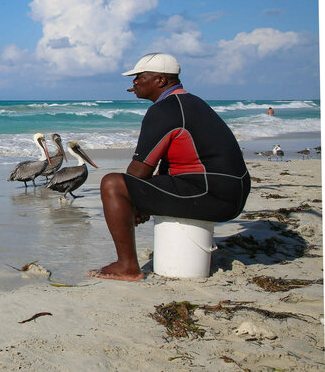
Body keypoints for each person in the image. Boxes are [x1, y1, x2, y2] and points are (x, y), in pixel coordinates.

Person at [90, 53, 251, 281]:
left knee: (113, 185)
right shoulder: (192, 102)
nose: (134, 82)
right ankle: (204, 255)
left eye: (139, 77)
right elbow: (168, 166)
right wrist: (144, 202)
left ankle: (127, 266)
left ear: (161, 81)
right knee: (132, 187)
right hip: (231, 192)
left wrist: (133, 204)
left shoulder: (164, 110)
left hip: (211, 194)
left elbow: (138, 173)